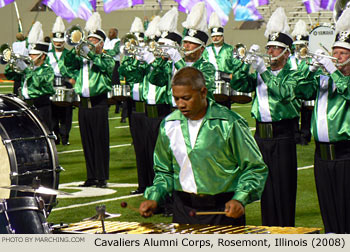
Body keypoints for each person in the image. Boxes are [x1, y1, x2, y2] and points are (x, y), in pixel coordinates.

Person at [139, 67, 267, 225]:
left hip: (223, 210)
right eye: (176, 98)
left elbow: (254, 167)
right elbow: (164, 171)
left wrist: (240, 198)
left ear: (203, 92)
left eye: (186, 98)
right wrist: (155, 197)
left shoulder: (229, 123)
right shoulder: (169, 124)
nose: (180, 104)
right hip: (182, 209)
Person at [230, 7, 301, 227]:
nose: (269, 52)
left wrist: (263, 71)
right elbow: (239, 85)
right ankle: (268, 230)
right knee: (266, 189)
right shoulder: (262, 71)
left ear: (286, 52)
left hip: (283, 135)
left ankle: (286, 232)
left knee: (284, 187)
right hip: (260, 135)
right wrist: (244, 65)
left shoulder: (294, 73)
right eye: (268, 47)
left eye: (275, 49)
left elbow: (284, 94)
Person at [295, 8, 350, 234]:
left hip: (346, 153)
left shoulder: (342, 78)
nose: (335, 57)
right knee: (329, 212)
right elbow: (299, 91)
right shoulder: (324, 77)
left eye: (342, 53)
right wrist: (309, 70)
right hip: (322, 154)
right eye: (334, 51)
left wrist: (331, 70)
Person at [64, 13, 114, 188]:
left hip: (99, 104)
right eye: (88, 40)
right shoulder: (81, 60)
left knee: (100, 141)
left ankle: (102, 177)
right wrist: (75, 46)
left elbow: (107, 67)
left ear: (101, 44)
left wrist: (92, 55)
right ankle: (91, 176)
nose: (89, 43)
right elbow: (67, 64)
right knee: (87, 142)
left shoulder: (106, 58)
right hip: (83, 104)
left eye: (93, 41)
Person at [5, 21, 54, 131]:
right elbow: (10, 75)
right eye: (30, 54)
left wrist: (26, 69)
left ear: (42, 56)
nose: (30, 56)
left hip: (41, 107)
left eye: (34, 54)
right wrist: (13, 62)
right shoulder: (27, 69)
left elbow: (38, 82)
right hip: (26, 106)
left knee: (43, 136)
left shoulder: (47, 70)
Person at [202, 12, 243, 109]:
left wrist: (232, 76)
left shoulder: (230, 49)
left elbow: (237, 65)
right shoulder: (206, 50)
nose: (215, 38)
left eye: (218, 36)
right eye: (213, 36)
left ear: (222, 36)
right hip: (210, 87)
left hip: (226, 87)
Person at [48, 16, 75, 145]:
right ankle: (56, 135)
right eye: (56, 41)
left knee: (66, 112)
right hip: (52, 84)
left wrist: (73, 79)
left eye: (60, 41)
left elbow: (75, 69)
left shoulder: (69, 54)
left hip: (66, 84)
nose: (58, 43)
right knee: (53, 113)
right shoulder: (48, 55)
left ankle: (65, 137)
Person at [290, 19, 312, 146]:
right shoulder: (290, 59)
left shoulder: (309, 59)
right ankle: (294, 134)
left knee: (306, 113)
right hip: (292, 90)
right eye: (297, 45)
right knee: (293, 114)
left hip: (305, 89)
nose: (299, 48)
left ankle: (305, 134)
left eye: (301, 45)